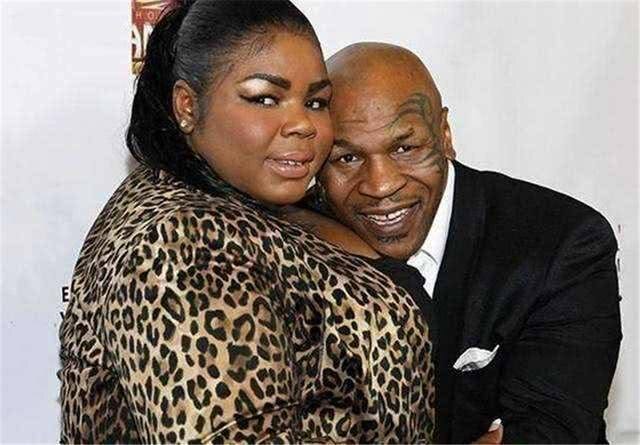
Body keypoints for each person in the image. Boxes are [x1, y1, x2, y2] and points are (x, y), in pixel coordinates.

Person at [58, 4, 435, 443]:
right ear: (187, 106)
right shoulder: (179, 247)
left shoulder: (251, 198)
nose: (303, 124)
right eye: (264, 98)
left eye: (315, 102)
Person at [307, 42, 622, 444]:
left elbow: (550, 435)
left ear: (444, 134)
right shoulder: (295, 242)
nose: (381, 185)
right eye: (347, 158)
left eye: (405, 148)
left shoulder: (562, 242)